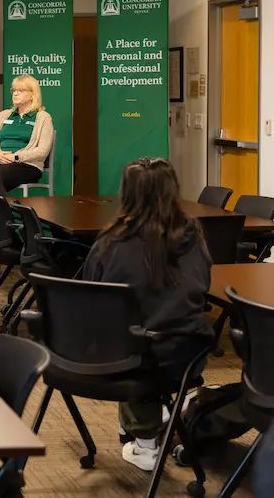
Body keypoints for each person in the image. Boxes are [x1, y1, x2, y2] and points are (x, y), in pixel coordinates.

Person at [82, 157, 213, 472]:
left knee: (128, 333)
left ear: (127, 193)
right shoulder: (194, 235)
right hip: (182, 353)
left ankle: (144, 439)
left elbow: (87, 298)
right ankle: (169, 408)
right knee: (144, 334)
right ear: (172, 191)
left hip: (122, 357)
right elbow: (202, 289)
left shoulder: (110, 242)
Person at [0, 74, 53, 196]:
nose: (15, 94)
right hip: (0, 160)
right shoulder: (4, 115)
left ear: (33, 94)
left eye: (21, 90)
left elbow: (42, 151)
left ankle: (1, 213)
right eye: (14, 90)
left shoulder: (43, 117)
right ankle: (6, 214)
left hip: (26, 165)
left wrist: (16, 157)